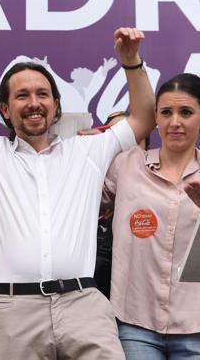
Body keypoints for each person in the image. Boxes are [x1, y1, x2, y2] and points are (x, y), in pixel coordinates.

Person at [0, 1, 155, 359]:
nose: (33, 103)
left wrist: (131, 61)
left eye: (42, 94)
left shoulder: (88, 152)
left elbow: (144, 118)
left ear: (55, 104)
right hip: (11, 310)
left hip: (83, 305)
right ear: (5, 109)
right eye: (21, 96)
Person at [102, 73, 200, 359]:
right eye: (166, 112)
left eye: (186, 112)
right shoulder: (127, 165)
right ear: (154, 116)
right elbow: (82, 205)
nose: (175, 122)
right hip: (134, 324)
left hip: (195, 325)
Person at [88, 110, 150, 297]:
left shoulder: (162, 196)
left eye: (131, 140)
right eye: (114, 139)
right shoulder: (80, 198)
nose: (122, 151)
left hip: (140, 308)